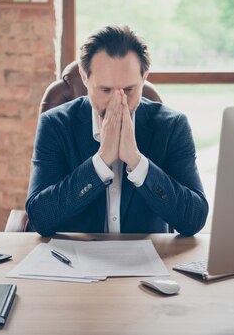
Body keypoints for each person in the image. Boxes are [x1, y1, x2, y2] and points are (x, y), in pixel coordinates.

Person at [26, 25, 208, 236]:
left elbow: (194, 220)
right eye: (105, 90)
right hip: (77, 260)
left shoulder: (172, 126)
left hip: (148, 261)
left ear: (144, 78)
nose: (117, 100)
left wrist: (137, 161)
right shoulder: (55, 124)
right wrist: (101, 161)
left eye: (129, 89)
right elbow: (40, 218)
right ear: (85, 78)